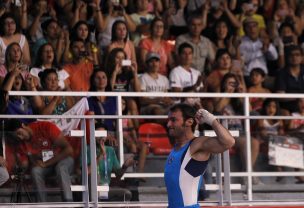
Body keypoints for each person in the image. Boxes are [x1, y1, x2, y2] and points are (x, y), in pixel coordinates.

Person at [164, 103, 235, 208]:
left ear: (189, 122)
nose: (168, 124)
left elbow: (229, 142)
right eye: (168, 120)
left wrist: (212, 120)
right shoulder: (176, 146)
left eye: (173, 120)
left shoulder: (197, 145)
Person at [6, 119, 74, 202]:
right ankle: (42, 204)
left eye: (20, 133)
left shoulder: (44, 127)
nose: (21, 137)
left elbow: (68, 149)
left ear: (23, 125)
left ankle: (68, 203)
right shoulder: (21, 142)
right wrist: (19, 162)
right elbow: (25, 164)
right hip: (47, 165)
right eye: (17, 137)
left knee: (60, 168)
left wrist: (46, 163)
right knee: (35, 171)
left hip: (63, 159)